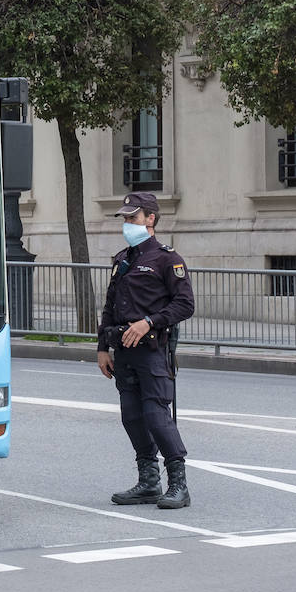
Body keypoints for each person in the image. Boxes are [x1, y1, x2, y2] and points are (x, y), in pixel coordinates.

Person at [96, 191, 194, 509]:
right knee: (132, 417)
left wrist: (149, 322)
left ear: (150, 219)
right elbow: (110, 308)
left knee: (155, 415)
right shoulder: (122, 260)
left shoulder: (168, 259)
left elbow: (185, 304)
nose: (127, 223)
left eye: (133, 217)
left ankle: (178, 484)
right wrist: (101, 348)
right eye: (125, 218)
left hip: (152, 350)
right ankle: (149, 482)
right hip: (123, 352)